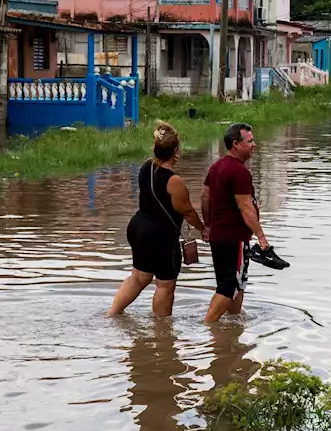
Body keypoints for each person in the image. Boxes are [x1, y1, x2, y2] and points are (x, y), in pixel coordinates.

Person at [109, 121, 206, 317]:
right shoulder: (173, 180)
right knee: (165, 285)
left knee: (138, 277)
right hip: (160, 236)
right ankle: (162, 333)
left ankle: (112, 314)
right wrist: (203, 229)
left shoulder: (146, 167)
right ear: (176, 151)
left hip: (137, 227)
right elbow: (187, 211)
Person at [203, 123, 272, 324]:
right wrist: (261, 237)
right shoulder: (239, 172)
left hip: (218, 236)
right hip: (234, 238)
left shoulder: (216, 167)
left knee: (237, 283)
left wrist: (208, 225)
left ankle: (233, 324)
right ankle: (208, 326)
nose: (254, 145)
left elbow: (205, 196)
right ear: (235, 144)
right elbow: (245, 208)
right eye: (249, 141)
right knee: (228, 285)